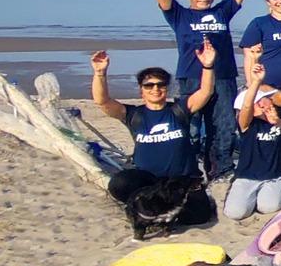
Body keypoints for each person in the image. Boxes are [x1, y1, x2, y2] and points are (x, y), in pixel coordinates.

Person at [152, 0, 256, 178]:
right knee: (190, 127)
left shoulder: (222, 12)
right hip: (191, 77)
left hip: (223, 77)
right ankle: (187, 170)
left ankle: (220, 170)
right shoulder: (179, 15)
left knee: (223, 126)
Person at [91, 47, 218, 234]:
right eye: (149, 85)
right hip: (148, 181)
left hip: (180, 180)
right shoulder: (135, 115)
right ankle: (141, 211)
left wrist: (208, 66)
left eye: (160, 85)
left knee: (199, 216)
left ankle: (165, 214)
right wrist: (100, 73)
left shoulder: (178, 110)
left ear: (166, 88)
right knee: (119, 184)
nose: (155, 89)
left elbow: (205, 92)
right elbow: (103, 102)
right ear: (141, 90)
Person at [223, 75, 281, 220]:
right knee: (235, 213)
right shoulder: (247, 125)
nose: (264, 104)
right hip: (247, 177)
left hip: (275, 177)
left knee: (268, 207)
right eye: (259, 102)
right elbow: (246, 107)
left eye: (264, 99)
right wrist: (255, 82)